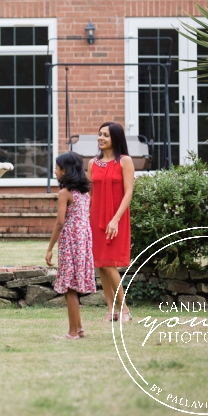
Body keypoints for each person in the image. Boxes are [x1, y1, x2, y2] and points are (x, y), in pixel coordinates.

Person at [46, 151, 96, 340]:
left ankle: (73, 333)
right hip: (83, 241)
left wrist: (50, 247)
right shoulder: (84, 193)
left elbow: (60, 222)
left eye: (57, 168)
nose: (55, 171)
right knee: (72, 285)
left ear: (65, 171)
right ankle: (80, 328)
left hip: (70, 242)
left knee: (70, 288)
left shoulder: (64, 193)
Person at [88, 121, 134, 322]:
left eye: (105, 135)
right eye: (99, 134)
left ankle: (124, 309)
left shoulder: (125, 161)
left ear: (115, 137)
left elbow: (129, 192)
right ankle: (110, 310)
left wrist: (115, 219)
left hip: (117, 218)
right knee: (101, 264)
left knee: (109, 264)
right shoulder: (92, 164)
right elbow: (90, 194)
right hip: (96, 218)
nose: (101, 138)